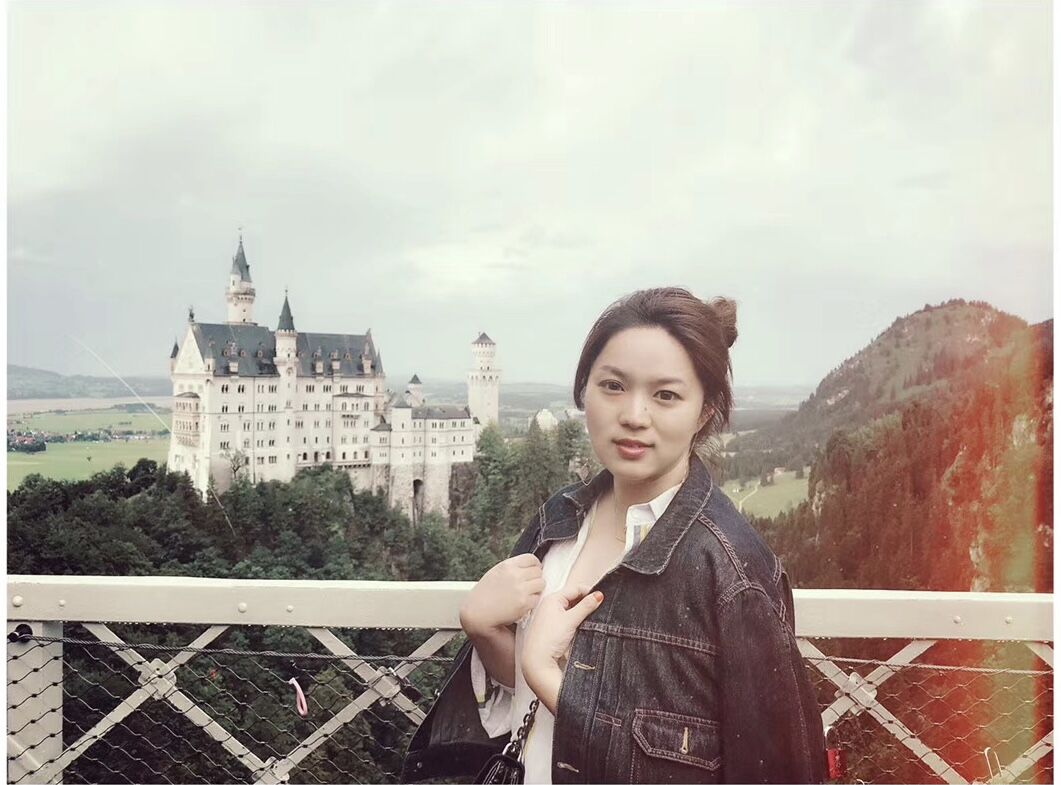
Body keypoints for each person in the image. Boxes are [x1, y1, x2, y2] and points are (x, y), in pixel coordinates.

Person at [402, 288, 825, 784]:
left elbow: (774, 771)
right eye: (613, 386)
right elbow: (524, 703)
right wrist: (487, 632)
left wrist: (547, 676)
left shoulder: (731, 573)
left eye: (665, 395)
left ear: (705, 410)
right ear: (585, 391)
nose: (634, 416)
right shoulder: (558, 521)